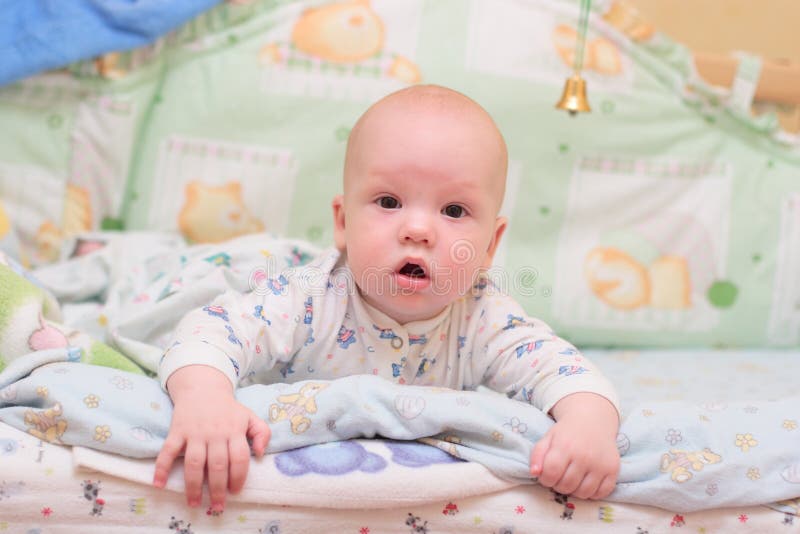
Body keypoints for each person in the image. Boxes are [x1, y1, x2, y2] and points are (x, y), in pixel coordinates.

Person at [153, 85, 621, 513]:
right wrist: (206, 398)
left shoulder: (483, 317)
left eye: (454, 210)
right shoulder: (308, 299)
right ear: (342, 222)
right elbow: (209, 330)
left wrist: (588, 424)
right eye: (389, 202)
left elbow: (562, 369)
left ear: (490, 246)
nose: (417, 229)